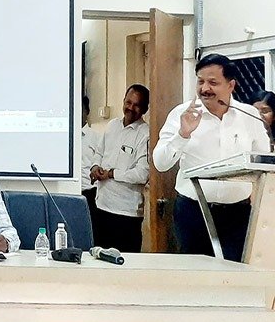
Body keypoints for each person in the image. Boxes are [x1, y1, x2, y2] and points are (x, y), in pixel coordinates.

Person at [153, 54, 271, 261]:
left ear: (231, 85)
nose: (205, 88)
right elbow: (160, 163)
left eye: (213, 82)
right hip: (193, 211)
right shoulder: (182, 114)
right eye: (200, 81)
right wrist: (183, 134)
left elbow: (264, 164)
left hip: (237, 214)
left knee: (234, 271)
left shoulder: (249, 116)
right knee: (196, 272)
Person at [89, 84, 150, 252]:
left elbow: (142, 174)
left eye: (137, 105)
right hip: (101, 206)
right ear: (123, 101)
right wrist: (95, 166)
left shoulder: (145, 134)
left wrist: (111, 174)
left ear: (145, 109)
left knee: (125, 262)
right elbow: (99, 152)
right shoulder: (112, 125)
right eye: (128, 102)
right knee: (99, 259)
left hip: (126, 214)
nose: (131, 108)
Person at [81, 94, 103, 213]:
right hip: (65, 190)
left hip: (89, 193)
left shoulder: (96, 137)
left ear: (87, 111)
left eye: (80, 109)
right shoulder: (62, 137)